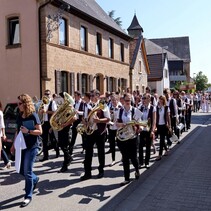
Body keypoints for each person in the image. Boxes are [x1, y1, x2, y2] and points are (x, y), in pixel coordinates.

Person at [11, 94, 42, 207]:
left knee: (27, 171)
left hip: (32, 146)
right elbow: (17, 131)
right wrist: (13, 145)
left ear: (25, 104)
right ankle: (35, 178)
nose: (18, 106)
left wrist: (28, 131)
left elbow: (40, 132)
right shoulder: (19, 116)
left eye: (19, 104)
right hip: (22, 146)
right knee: (20, 170)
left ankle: (28, 196)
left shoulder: (33, 115)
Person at [80, 89, 110, 181]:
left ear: (97, 96)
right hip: (90, 131)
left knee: (101, 152)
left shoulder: (103, 105)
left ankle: (101, 170)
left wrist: (99, 121)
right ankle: (87, 173)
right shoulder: (87, 105)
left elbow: (108, 118)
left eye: (93, 96)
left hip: (100, 131)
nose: (91, 97)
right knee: (88, 152)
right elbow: (84, 117)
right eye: (91, 95)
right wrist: (84, 122)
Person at [116, 93, 142, 186]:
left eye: (129, 100)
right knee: (125, 158)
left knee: (134, 158)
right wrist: (120, 125)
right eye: (126, 100)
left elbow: (140, 124)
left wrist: (139, 128)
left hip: (133, 137)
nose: (128, 102)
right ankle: (126, 178)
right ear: (123, 100)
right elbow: (116, 123)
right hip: (123, 138)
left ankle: (137, 170)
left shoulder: (135, 110)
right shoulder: (120, 111)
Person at [57, 92, 77, 173]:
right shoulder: (63, 107)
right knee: (61, 145)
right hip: (61, 128)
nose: (61, 99)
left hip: (65, 128)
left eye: (62, 98)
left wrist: (65, 124)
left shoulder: (69, 107)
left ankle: (65, 164)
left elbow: (74, 118)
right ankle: (69, 158)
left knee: (64, 146)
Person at [39, 89, 59, 161]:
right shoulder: (43, 102)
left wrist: (46, 111)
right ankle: (45, 156)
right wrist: (41, 111)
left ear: (50, 95)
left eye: (48, 94)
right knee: (44, 139)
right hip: (44, 122)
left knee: (52, 139)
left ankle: (57, 150)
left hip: (50, 123)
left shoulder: (52, 102)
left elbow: (55, 112)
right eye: (45, 94)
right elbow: (41, 111)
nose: (46, 95)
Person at [138, 93, 156, 169]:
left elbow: (154, 121)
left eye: (144, 98)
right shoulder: (140, 107)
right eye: (142, 98)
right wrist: (139, 127)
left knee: (148, 146)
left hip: (149, 129)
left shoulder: (152, 108)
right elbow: (138, 119)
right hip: (142, 129)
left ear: (149, 99)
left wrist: (152, 131)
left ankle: (147, 162)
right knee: (140, 146)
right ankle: (141, 162)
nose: (143, 100)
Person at [155, 95, 171, 161]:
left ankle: (160, 155)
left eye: (162, 99)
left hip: (164, 125)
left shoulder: (166, 108)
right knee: (162, 139)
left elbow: (168, 117)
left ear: (164, 100)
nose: (160, 100)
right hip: (158, 125)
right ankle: (166, 150)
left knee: (161, 139)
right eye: (160, 99)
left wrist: (169, 125)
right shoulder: (157, 107)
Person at [0, 101, 11, 169]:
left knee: (0, 148)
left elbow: (2, 125)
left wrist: (4, 134)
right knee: (1, 148)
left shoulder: (0, 113)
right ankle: (7, 161)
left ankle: (7, 161)